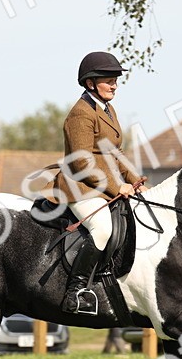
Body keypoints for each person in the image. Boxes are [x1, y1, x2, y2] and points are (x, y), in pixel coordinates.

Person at [50, 51, 144, 314]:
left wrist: (136, 182)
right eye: (109, 80)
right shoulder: (80, 114)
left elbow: (116, 152)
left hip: (102, 185)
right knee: (102, 228)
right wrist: (118, 188)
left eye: (116, 80)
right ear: (91, 83)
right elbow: (81, 163)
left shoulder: (107, 109)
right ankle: (76, 291)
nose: (114, 84)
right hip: (79, 186)